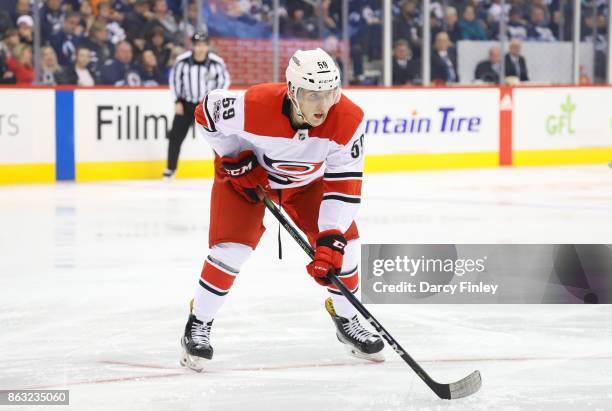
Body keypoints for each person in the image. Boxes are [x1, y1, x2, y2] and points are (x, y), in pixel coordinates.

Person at [179, 48, 384, 372]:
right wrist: (233, 156)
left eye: (329, 93)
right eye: (313, 95)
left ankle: (347, 319)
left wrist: (330, 238)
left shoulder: (348, 120)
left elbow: (344, 185)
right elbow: (206, 112)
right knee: (231, 250)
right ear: (292, 91)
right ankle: (199, 322)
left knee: (348, 248)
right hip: (247, 178)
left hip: (306, 184)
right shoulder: (254, 105)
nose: (323, 105)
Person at [162, 32, 230, 179]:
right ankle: (170, 168)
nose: (200, 48)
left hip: (208, 107)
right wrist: (177, 101)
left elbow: (224, 81)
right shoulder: (182, 61)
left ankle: (222, 171)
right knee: (175, 137)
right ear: (193, 46)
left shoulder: (216, 62)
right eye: (197, 45)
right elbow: (174, 81)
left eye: (203, 45)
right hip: (186, 104)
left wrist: (216, 100)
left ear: (207, 46)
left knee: (217, 140)